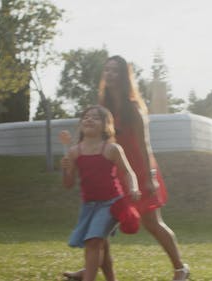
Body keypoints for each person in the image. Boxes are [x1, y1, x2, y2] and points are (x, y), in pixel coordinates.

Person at [63, 56, 190, 281]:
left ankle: (180, 268)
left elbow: (145, 146)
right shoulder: (103, 107)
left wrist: (150, 177)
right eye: (107, 70)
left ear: (124, 76)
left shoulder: (132, 109)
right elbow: (89, 135)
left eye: (115, 71)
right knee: (102, 225)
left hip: (139, 171)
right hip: (114, 170)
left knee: (152, 222)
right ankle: (90, 269)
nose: (110, 74)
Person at [60, 105, 141, 281]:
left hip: (112, 204)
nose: (89, 119)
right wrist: (66, 170)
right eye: (86, 117)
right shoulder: (74, 152)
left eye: (96, 117)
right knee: (101, 243)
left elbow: (128, 172)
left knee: (93, 241)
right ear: (81, 124)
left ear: (106, 125)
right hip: (88, 206)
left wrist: (133, 188)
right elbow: (68, 184)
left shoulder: (112, 149)